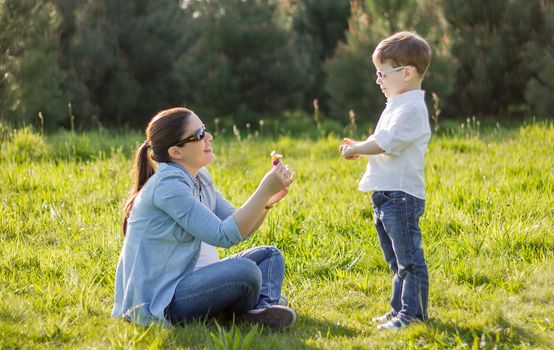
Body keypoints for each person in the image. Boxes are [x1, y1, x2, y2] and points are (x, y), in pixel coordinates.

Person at [112, 107, 297, 329]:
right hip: (163, 298)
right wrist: (262, 191)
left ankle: (257, 310)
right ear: (176, 152)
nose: (209, 137)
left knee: (270, 256)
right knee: (245, 272)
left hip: (191, 279)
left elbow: (241, 228)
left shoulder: (199, 177)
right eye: (199, 135)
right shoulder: (168, 187)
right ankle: (251, 308)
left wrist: (266, 202)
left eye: (205, 130)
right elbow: (224, 235)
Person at [339, 31, 432, 330]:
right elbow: (380, 140)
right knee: (396, 262)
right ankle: (399, 309)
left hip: (401, 197)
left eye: (382, 73)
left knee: (409, 261)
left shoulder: (412, 109)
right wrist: (360, 146)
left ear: (406, 73)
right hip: (386, 195)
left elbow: (386, 142)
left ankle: (413, 315)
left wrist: (357, 149)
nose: (378, 80)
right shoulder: (397, 104)